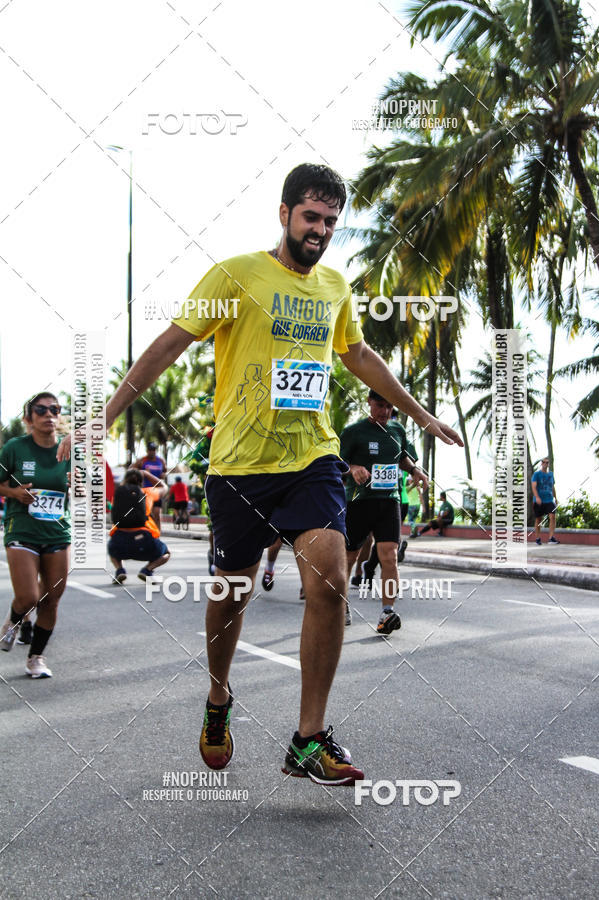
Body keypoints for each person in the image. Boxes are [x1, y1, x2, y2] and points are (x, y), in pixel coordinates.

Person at [58, 162, 462, 785]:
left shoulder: (334, 288)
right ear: (284, 214)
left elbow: (358, 355)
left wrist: (423, 416)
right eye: (310, 217)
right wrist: (101, 418)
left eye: (331, 221)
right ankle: (219, 695)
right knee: (231, 596)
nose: (321, 230)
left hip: (312, 461)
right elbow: (169, 344)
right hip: (240, 470)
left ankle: (308, 738)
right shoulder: (236, 275)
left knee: (329, 578)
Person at [340, 390, 428, 634]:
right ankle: (341, 604)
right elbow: (337, 463)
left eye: (389, 407)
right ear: (369, 402)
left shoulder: (397, 431)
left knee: (389, 555)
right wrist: (353, 467)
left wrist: (414, 471)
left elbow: (403, 459)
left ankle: (387, 613)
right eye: (380, 405)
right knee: (349, 557)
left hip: (389, 501)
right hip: (359, 502)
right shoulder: (353, 432)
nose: (385, 412)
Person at [0, 393, 71, 678]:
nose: (48, 414)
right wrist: (14, 493)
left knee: (52, 597)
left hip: (56, 531)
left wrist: (78, 484)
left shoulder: (69, 449)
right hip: (22, 528)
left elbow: (80, 489)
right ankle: (13, 622)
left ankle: (35, 658)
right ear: (29, 418)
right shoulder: (16, 448)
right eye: (40, 410)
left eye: (54, 408)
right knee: (29, 596)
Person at [108, 468, 170, 583]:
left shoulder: (117, 495)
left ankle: (120, 570)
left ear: (125, 480)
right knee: (166, 553)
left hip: (119, 541)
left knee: (111, 548)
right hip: (143, 540)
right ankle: (147, 570)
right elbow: (164, 487)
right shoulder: (147, 492)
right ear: (141, 481)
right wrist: (147, 474)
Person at [135, 442, 167, 532]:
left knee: (157, 513)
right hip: (146, 491)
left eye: (153, 450)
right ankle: (149, 532)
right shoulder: (142, 460)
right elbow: (132, 470)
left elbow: (165, 471)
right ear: (147, 450)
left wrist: (163, 475)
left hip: (157, 490)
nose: (152, 452)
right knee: (148, 514)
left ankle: (158, 534)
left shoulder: (161, 461)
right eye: (150, 450)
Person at [532, 457, 559, 545]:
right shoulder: (537, 474)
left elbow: (552, 487)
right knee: (538, 519)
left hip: (549, 500)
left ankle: (551, 538)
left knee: (552, 516)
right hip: (539, 500)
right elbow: (534, 486)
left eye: (547, 462)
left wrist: (555, 497)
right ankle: (538, 538)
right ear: (541, 463)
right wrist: (537, 497)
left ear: (548, 464)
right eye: (544, 462)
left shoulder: (551, 474)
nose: (545, 464)